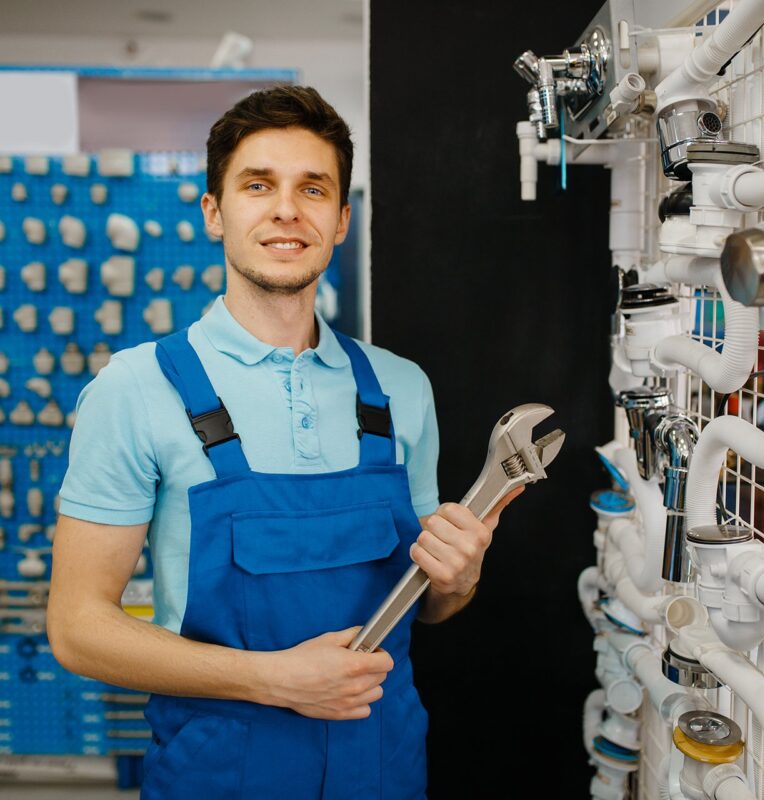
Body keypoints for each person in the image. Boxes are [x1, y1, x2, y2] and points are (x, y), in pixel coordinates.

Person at [47, 86, 521, 799]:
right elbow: (78, 628)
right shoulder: (135, 388)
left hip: (384, 768)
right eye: (258, 184)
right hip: (220, 773)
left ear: (340, 221)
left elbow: (429, 602)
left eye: (313, 188)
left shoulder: (398, 389)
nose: (286, 210)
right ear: (215, 212)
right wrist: (272, 680)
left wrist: (460, 580)